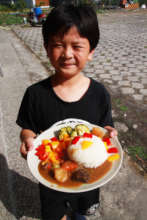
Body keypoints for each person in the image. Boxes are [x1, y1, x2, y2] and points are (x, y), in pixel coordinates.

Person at [16, 3, 117, 220]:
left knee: (82, 212)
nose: (67, 54)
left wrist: (110, 133)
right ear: (46, 47)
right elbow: (27, 128)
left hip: (88, 177)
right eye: (58, 45)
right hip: (51, 178)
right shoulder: (35, 94)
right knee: (54, 214)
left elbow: (105, 127)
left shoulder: (100, 94)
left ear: (91, 52)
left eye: (77, 46)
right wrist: (27, 139)